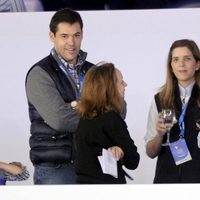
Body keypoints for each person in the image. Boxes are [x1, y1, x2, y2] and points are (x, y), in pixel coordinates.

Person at [25, 8, 94, 184]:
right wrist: (98, 116)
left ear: (82, 35)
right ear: (52, 36)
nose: (71, 42)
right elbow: (60, 120)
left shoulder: (94, 71)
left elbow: (118, 110)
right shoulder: (40, 73)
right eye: (64, 36)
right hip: (55, 169)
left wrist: (74, 107)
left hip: (92, 163)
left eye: (76, 35)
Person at [144, 39, 200, 183]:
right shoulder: (160, 99)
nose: (181, 64)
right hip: (166, 182)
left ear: (197, 64)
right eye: (176, 60)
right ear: (171, 66)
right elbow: (150, 152)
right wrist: (159, 135)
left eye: (187, 59)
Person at [75, 62, 140, 184]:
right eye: (121, 82)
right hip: (108, 190)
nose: (125, 84)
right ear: (110, 88)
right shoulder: (111, 119)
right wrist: (121, 153)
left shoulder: (84, 119)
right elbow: (133, 161)